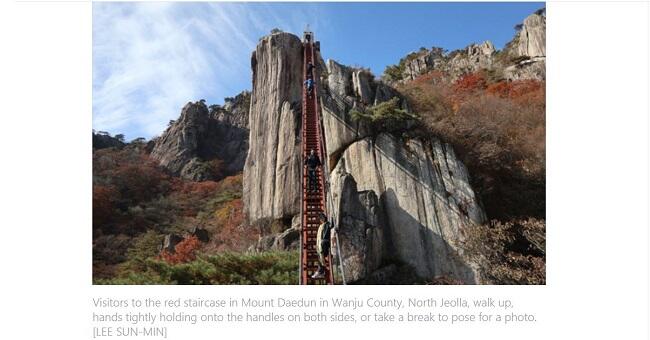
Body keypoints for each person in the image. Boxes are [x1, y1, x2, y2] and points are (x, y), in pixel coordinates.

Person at [312, 213, 335, 279]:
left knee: (321, 257)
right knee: (320, 257)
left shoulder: (326, 224)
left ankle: (320, 272)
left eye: (320, 219)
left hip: (324, 244)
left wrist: (321, 244)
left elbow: (330, 226)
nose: (320, 220)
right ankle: (321, 271)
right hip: (321, 244)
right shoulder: (322, 225)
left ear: (323, 219)